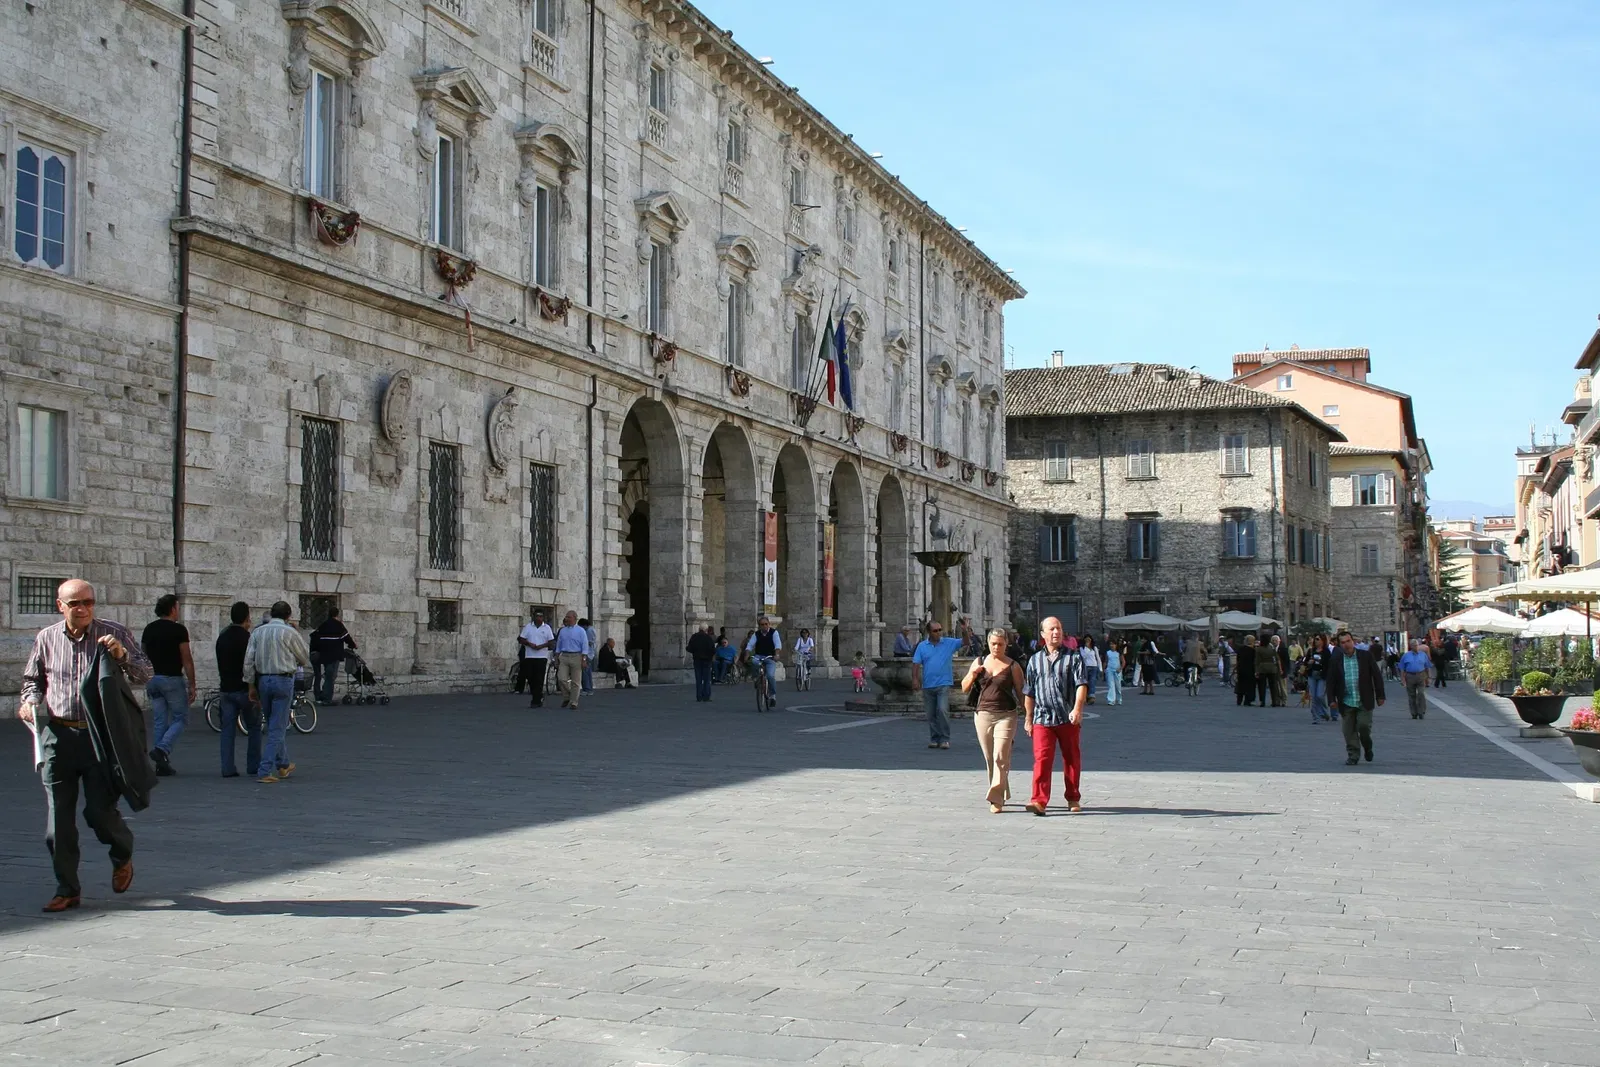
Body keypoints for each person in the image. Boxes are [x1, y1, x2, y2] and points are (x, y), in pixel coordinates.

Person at [19, 579, 152, 912]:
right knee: (58, 821)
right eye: (75, 603)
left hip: (99, 738)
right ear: (60, 605)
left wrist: (122, 657)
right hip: (58, 737)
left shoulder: (113, 633)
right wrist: (30, 702)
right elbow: (32, 681)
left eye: (88, 603)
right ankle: (67, 888)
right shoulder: (46, 638)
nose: (82, 609)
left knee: (98, 812)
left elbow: (145, 674)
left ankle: (122, 853)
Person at [1022, 616, 1089, 815]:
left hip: (1066, 717)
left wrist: (1077, 709)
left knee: (1071, 758)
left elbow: (1081, 685)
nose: (1056, 632)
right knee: (1042, 758)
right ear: (1043, 634)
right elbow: (1029, 692)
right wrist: (1028, 718)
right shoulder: (1035, 660)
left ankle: (1073, 797)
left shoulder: (1074, 657)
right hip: (1042, 718)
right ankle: (1039, 801)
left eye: (1058, 628)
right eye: (1051, 629)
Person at [243, 601, 309, 784]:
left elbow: (248, 661)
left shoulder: (257, 632)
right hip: (283, 680)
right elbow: (304, 657)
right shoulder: (289, 632)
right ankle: (264, 770)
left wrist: (250, 685)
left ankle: (283, 763)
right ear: (288, 616)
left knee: (274, 722)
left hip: (263, 680)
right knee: (277, 727)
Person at [961, 628, 1025, 813]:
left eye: (1000, 644)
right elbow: (964, 687)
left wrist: (1029, 715)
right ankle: (1001, 790)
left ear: (1006, 644)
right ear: (988, 643)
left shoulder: (1013, 666)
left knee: (1000, 756)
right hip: (983, 714)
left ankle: (996, 799)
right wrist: (973, 673)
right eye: (993, 644)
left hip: (1006, 714)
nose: (996, 647)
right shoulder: (979, 661)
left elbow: (1021, 692)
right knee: (990, 758)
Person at [139, 593, 194, 778]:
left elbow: (142, 656)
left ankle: (161, 764)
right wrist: (193, 684)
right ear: (172, 609)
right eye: (177, 607)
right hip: (172, 679)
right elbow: (187, 658)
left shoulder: (149, 629)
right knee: (181, 718)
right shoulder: (179, 631)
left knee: (160, 720)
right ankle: (162, 749)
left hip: (153, 679)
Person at [1325, 630, 1387, 765]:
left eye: (1348, 641)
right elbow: (1331, 682)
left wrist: (1380, 695)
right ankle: (1353, 755)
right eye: (1343, 643)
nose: (1346, 645)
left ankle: (1367, 747)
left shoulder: (1365, 656)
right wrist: (1331, 700)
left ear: (1352, 641)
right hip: (1346, 700)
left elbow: (1376, 676)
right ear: (1339, 645)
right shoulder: (1336, 660)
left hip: (1363, 699)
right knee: (1349, 731)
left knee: (1363, 727)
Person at [215, 601, 261, 777]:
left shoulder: (222, 637)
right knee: (254, 727)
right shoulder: (247, 638)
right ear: (247, 618)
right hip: (244, 689)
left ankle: (227, 767)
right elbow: (251, 664)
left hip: (226, 688)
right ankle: (253, 765)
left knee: (227, 731)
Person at [912, 621, 963, 749]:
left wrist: (965, 630)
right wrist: (915, 679)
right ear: (929, 632)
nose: (939, 633)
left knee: (942, 709)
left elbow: (965, 642)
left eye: (940, 630)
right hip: (928, 684)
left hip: (943, 683)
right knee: (930, 714)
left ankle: (945, 738)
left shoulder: (948, 643)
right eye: (935, 631)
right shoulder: (922, 646)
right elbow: (916, 664)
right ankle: (934, 738)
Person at [310, 607, 357, 705]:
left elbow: (314, 636)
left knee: (324, 675)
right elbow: (346, 637)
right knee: (331, 676)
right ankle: (327, 699)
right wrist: (353, 645)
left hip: (323, 654)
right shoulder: (339, 625)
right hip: (334, 655)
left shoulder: (323, 625)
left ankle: (319, 696)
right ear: (337, 615)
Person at [553, 610, 590, 709]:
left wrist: (584, 659)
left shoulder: (580, 631)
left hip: (576, 656)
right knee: (561, 678)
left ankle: (574, 702)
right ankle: (567, 696)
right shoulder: (563, 631)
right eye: (566, 617)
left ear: (574, 618)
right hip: (564, 656)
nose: (566, 619)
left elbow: (585, 645)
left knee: (576, 681)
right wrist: (556, 657)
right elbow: (559, 645)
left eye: (569, 617)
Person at [745, 616, 784, 708]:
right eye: (762, 625)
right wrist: (746, 654)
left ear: (769, 624)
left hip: (770, 657)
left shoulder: (774, 633)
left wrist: (776, 654)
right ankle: (756, 678)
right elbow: (750, 645)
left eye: (766, 624)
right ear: (759, 626)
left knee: (770, 675)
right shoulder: (756, 634)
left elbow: (777, 644)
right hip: (759, 656)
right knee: (754, 662)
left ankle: (772, 695)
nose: (764, 626)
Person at [518, 609, 554, 707]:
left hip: (541, 656)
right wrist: (529, 644)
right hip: (529, 656)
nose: (539, 618)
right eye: (537, 616)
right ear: (533, 617)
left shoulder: (547, 628)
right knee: (530, 677)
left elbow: (551, 642)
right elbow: (521, 639)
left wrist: (541, 646)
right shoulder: (528, 627)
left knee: (539, 678)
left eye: (541, 616)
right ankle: (538, 695)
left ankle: (536, 700)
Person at [1399, 638, 1432, 719]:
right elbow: (1402, 668)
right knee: (1411, 695)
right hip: (1410, 676)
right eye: (1414, 645)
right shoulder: (1406, 655)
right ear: (1411, 646)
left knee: (1421, 693)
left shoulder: (1423, 655)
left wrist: (1429, 677)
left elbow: (1427, 667)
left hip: (1421, 675)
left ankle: (1421, 711)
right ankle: (1414, 713)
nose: (1416, 647)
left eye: (1417, 645)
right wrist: (1402, 680)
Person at [1304, 634, 1333, 724]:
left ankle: (1323, 712)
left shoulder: (1326, 652)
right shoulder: (1311, 651)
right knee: (1314, 697)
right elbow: (1305, 663)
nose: (1316, 641)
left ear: (1323, 641)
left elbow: (1329, 664)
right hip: (1312, 675)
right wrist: (1309, 662)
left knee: (1320, 695)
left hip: (1322, 676)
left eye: (1318, 639)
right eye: (1315, 639)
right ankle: (1316, 717)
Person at [687, 624, 717, 702]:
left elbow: (689, 648)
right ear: (706, 630)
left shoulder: (694, 637)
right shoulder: (708, 638)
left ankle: (699, 696)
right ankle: (706, 696)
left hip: (697, 660)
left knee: (698, 679)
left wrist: (695, 651)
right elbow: (713, 650)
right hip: (707, 661)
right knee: (707, 679)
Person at [1255, 633, 1283, 706]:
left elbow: (1257, 661)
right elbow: (1277, 658)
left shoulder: (1259, 649)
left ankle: (1262, 701)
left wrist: (1256, 670)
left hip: (1262, 667)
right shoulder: (1272, 648)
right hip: (1272, 668)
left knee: (1262, 686)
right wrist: (1279, 669)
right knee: (1273, 686)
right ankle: (1274, 701)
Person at [1234, 634, 1257, 706]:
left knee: (1240, 685)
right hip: (1250, 670)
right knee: (1249, 686)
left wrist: (1236, 668)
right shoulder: (1254, 650)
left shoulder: (1241, 649)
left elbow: (1238, 659)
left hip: (1241, 669)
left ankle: (1239, 700)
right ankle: (1247, 701)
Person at [1080, 635, 1101, 704]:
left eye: (1089, 640)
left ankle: (1092, 696)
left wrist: (1100, 668)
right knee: (1085, 682)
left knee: (1092, 681)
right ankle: (1086, 696)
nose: (1088, 641)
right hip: (1086, 666)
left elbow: (1098, 658)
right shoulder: (1082, 648)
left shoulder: (1094, 648)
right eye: (1086, 640)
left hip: (1094, 666)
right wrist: (1086, 647)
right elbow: (1084, 656)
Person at [580, 617, 599, 694]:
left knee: (585, 672)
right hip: (590, 653)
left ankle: (587, 688)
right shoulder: (591, 629)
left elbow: (587, 642)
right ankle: (589, 688)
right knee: (588, 672)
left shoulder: (588, 631)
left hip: (587, 653)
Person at [1103, 641, 1123, 705]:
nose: (1112, 645)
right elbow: (1106, 661)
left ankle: (1119, 698)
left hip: (1117, 670)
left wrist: (1120, 668)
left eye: (1113, 644)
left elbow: (1123, 662)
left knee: (1118, 686)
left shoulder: (1118, 653)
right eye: (1111, 644)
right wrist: (1104, 669)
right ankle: (1111, 700)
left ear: (1116, 645)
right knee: (1111, 685)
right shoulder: (1108, 653)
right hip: (1110, 670)